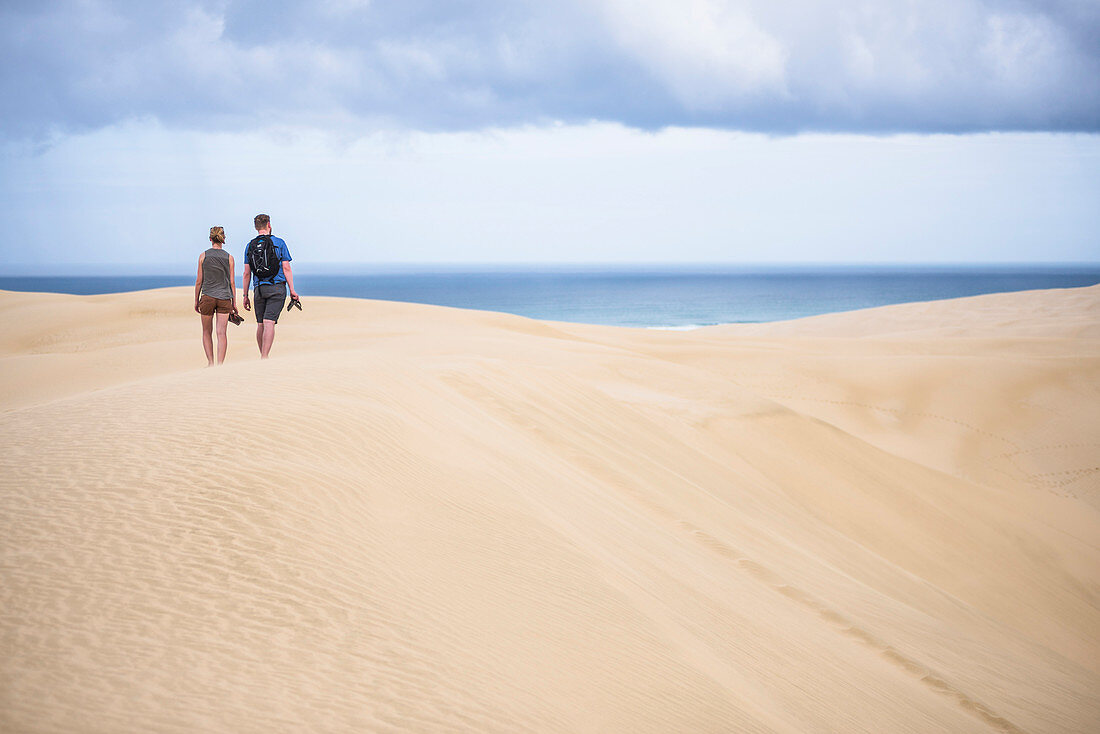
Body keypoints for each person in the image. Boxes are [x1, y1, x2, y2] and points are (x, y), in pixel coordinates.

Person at [241, 213, 298, 359]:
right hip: (277, 287)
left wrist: (245, 295)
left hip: (259, 289)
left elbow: (247, 273)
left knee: (260, 324)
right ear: (269, 225)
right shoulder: (279, 243)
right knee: (269, 322)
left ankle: (262, 356)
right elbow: (286, 268)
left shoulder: (250, 245)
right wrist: (292, 290)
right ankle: (264, 357)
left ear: (256, 227)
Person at [194, 226, 237, 366]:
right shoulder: (229, 257)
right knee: (221, 333)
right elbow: (231, 282)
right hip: (224, 298)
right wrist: (234, 302)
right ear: (223, 239)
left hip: (207, 297)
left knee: (206, 332)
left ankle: (211, 363)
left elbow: (199, 281)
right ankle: (220, 365)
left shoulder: (203, 256)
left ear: (210, 239)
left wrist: (196, 300)